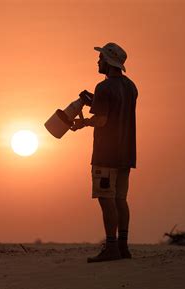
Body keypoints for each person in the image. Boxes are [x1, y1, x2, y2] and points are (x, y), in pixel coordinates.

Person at [72, 42, 138, 263]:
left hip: (106, 155)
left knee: (106, 200)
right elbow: (116, 109)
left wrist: (82, 123)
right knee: (121, 199)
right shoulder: (131, 87)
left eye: (100, 59)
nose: (97, 61)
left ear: (108, 62)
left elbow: (102, 120)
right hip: (126, 153)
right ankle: (123, 247)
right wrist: (95, 102)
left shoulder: (104, 87)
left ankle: (111, 248)